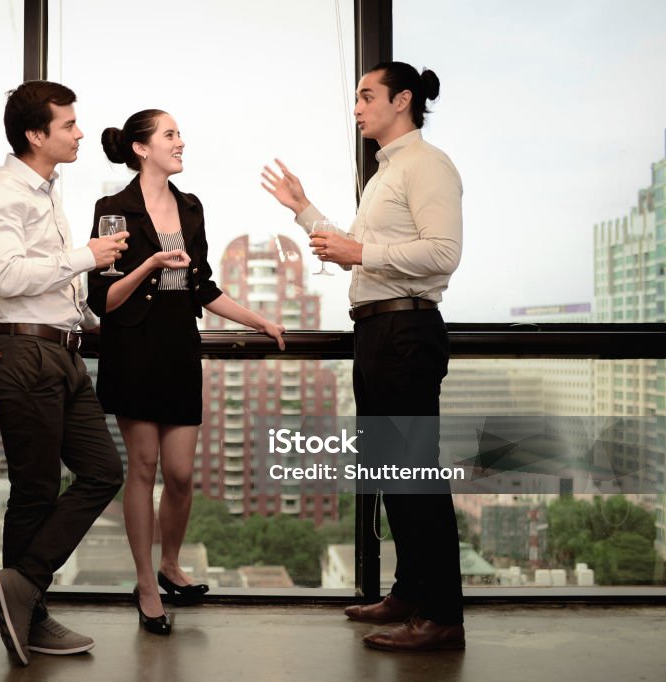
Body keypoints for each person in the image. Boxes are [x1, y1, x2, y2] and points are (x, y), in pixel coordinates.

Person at [262, 62, 465, 652]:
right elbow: (363, 250)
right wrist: (304, 209)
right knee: (390, 474)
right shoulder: (386, 173)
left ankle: (442, 616)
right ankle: (409, 592)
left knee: (414, 478)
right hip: (378, 334)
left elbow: (444, 253)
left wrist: (359, 249)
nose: (356, 106)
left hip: (406, 332)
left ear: (402, 100)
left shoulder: (428, 165)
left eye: (366, 95)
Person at [89, 110, 286, 635]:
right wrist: (150, 265)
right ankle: (146, 583)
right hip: (132, 348)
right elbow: (103, 300)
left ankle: (170, 564)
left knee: (179, 474)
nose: (181, 142)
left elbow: (204, 286)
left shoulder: (191, 207)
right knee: (145, 466)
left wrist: (260, 319)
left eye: (178, 134)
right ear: (141, 148)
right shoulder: (113, 210)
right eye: (170, 135)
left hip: (178, 347)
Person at [0, 80, 127, 666]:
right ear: (36, 134)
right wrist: (89, 254)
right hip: (24, 354)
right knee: (34, 491)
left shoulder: (47, 192)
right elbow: (8, 278)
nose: (80, 132)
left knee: (102, 471)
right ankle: (28, 614)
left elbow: (53, 284)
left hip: (62, 351)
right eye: (68, 124)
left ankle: (24, 585)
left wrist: (92, 319)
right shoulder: (0, 193)